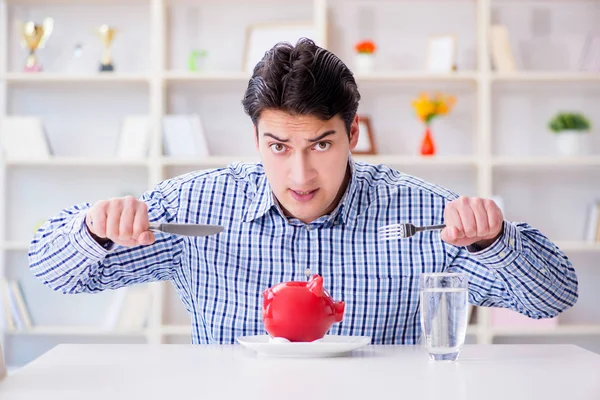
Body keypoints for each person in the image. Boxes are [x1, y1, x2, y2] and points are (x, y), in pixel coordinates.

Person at [29, 38, 578, 345]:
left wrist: (495, 242)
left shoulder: (419, 215)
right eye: (278, 147)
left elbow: (553, 297)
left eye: (320, 146)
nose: (299, 176)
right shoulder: (196, 208)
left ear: (353, 134)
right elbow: (52, 272)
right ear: (255, 138)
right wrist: (95, 230)